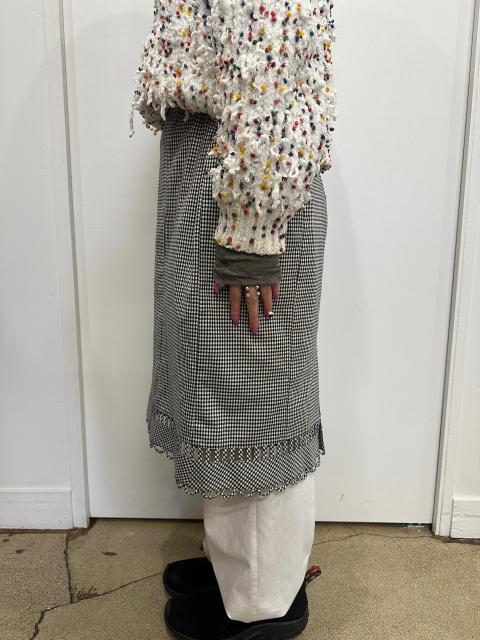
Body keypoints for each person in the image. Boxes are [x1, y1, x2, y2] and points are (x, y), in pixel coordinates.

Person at [129, 0, 336, 637]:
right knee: (218, 386)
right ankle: (240, 566)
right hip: (226, 168)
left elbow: (266, 72)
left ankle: (262, 602)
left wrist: (252, 230)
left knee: (247, 397)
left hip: (245, 188)